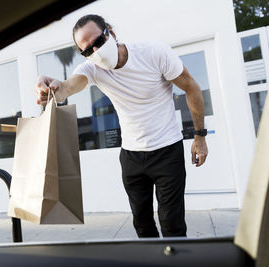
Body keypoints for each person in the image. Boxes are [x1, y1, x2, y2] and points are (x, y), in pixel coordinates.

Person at [35, 14, 208, 238]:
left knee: (172, 224)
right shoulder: (93, 69)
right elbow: (67, 88)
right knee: (142, 225)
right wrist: (50, 86)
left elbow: (191, 88)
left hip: (167, 150)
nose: (95, 52)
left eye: (98, 42)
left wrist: (200, 137)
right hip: (131, 156)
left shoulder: (153, 53)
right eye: (87, 50)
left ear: (110, 32)